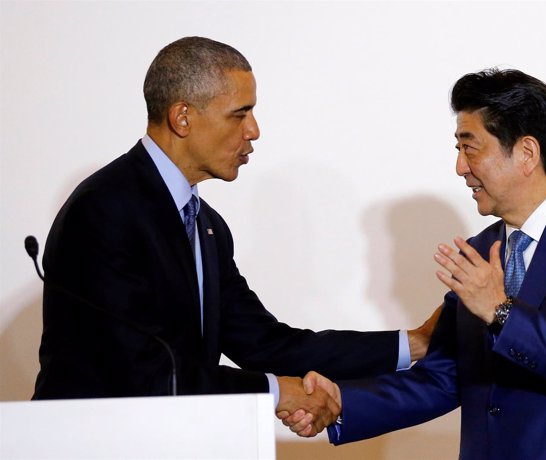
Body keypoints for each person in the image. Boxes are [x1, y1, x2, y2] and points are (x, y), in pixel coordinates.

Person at [32, 36, 440, 429]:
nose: (254, 130)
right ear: (183, 117)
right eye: (239, 114)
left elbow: (265, 344)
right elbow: (142, 374)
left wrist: (415, 342)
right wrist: (279, 392)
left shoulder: (206, 224)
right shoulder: (105, 208)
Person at [280, 69, 546, 459]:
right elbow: (445, 377)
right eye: (457, 150)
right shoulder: (480, 249)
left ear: (527, 152)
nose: (460, 167)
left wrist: (501, 311)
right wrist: (343, 401)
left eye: (470, 148)